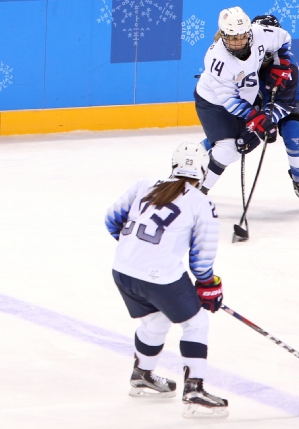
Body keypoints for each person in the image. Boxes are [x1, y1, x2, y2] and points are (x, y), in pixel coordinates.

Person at [105, 142, 229, 419]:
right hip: (158, 276)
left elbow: (112, 219)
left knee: (155, 320)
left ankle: (142, 375)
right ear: (203, 171)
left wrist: (137, 251)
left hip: (122, 269)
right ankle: (195, 392)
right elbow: (202, 256)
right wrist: (208, 285)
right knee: (196, 322)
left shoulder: (145, 185)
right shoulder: (201, 202)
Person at [194, 6, 294, 194]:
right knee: (227, 148)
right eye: (233, 38)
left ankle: (193, 160)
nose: (239, 42)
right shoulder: (217, 59)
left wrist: (282, 64)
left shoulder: (259, 34)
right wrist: (256, 118)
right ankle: (196, 193)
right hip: (213, 103)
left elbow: (284, 38)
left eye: (242, 36)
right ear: (224, 35)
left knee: (237, 147)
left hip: (247, 98)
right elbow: (230, 101)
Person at [252, 14, 299, 211]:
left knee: (294, 132)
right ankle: (194, 169)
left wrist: (267, 120)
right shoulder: (243, 55)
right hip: (255, 103)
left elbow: (285, 102)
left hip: (290, 102)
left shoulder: (286, 64)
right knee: (226, 134)